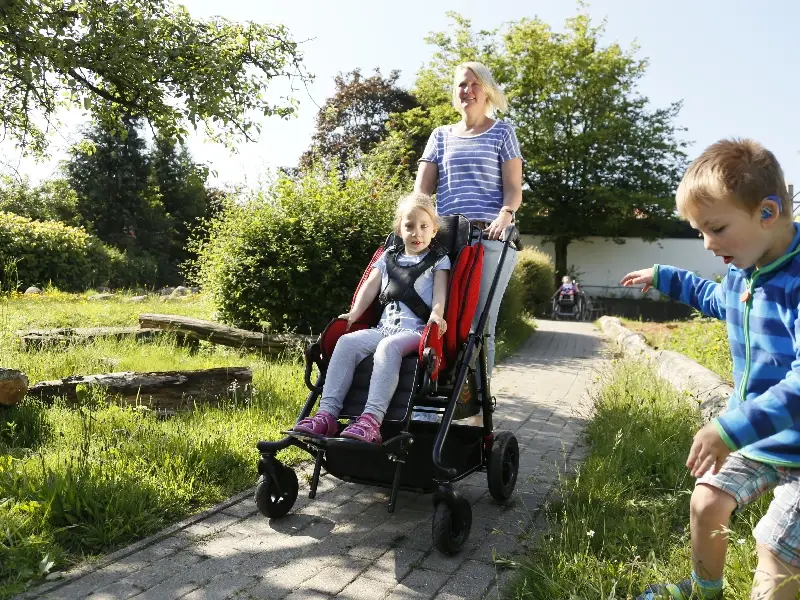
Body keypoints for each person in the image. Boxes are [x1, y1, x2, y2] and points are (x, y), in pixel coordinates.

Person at [620, 139, 800, 600]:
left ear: (767, 212)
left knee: (776, 550)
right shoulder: (745, 270)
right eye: (700, 231)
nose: (708, 244)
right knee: (707, 502)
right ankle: (705, 592)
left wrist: (729, 428)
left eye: (716, 228)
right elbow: (716, 299)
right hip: (759, 438)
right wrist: (665, 276)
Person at [293, 193, 450, 444]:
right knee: (346, 342)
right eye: (409, 226)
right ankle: (327, 415)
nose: (416, 233)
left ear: (434, 230)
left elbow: (440, 294)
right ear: (399, 229)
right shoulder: (387, 257)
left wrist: (436, 315)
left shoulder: (439, 260)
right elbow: (369, 288)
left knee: (388, 348)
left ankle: (371, 420)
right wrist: (354, 314)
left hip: (416, 331)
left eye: (424, 227)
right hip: (383, 328)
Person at [414, 60, 522, 392]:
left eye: (475, 84)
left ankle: (475, 407)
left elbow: (513, 188)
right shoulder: (440, 136)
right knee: (434, 320)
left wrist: (505, 214)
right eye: (462, 84)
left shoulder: (502, 133)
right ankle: (433, 398)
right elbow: (421, 193)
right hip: (445, 239)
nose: (468, 90)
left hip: (488, 239)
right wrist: (415, 225)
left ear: (486, 91)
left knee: (478, 327)